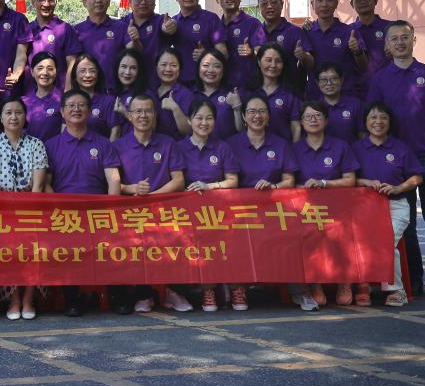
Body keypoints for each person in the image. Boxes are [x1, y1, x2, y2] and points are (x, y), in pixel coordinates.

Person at [367, 19, 425, 299]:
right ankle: (413, 278)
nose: (400, 42)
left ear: (413, 40)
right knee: (408, 225)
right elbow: (374, 116)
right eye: (394, 38)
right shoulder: (380, 78)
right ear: (387, 45)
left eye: (405, 37)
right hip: (398, 159)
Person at [226, 95, 309, 311]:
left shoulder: (281, 145)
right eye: (252, 111)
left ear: (269, 117)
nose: (257, 116)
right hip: (241, 211)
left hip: (274, 209)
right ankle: (237, 289)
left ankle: (299, 292)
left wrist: (273, 186)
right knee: (233, 242)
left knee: (291, 238)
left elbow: (289, 180)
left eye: (262, 111)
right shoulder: (231, 145)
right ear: (244, 116)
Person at [44, 89, 122, 316]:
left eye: (81, 105)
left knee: (111, 251)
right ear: (62, 112)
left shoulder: (103, 143)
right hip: (65, 214)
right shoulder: (51, 145)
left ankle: (117, 296)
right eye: (71, 106)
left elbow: (113, 180)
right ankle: (72, 299)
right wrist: (58, 210)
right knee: (69, 254)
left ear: (89, 111)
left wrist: (110, 211)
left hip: (98, 212)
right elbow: (46, 183)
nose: (76, 110)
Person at [113, 95, 190, 313]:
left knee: (174, 247)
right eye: (138, 111)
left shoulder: (168, 143)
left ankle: (173, 292)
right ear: (129, 116)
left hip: (164, 210)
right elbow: (111, 183)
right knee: (136, 249)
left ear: (155, 115)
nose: (143, 116)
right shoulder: (118, 146)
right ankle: (144, 294)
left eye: (148, 111)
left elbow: (178, 180)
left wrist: (154, 196)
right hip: (131, 213)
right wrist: (132, 189)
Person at [0, 97, 48, 320]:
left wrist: (30, 214)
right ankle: (14, 299)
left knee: (34, 251)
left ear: (25, 117)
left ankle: (28, 298)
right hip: (2, 210)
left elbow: (38, 186)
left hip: (31, 209)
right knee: (8, 252)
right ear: (1, 117)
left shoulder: (36, 144)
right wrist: (7, 214)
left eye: (18, 112)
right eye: (8, 112)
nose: (14, 117)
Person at [352, 102, 424, 307]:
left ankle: (396, 290)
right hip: (363, 208)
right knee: (360, 241)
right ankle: (363, 285)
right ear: (365, 122)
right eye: (373, 117)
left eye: (383, 117)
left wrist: (399, 188)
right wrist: (366, 182)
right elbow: (348, 178)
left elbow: (417, 177)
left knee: (385, 241)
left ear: (390, 122)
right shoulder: (356, 148)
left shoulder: (400, 147)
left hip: (396, 205)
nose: (378, 122)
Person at [291, 100, 359, 306]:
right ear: (301, 122)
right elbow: (289, 182)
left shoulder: (340, 146)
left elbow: (350, 180)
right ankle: (316, 284)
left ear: (326, 120)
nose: (313, 120)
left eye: (317, 115)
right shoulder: (294, 149)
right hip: (306, 210)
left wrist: (324, 183)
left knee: (342, 236)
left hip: (338, 209)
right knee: (307, 238)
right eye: (308, 117)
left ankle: (344, 282)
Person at [177, 98, 240, 312]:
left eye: (209, 118)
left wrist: (209, 186)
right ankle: (208, 290)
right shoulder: (179, 147)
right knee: (201, 251)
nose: (204, 123)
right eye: (199, 118)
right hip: (189, 212)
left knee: (227, 248)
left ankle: (235, 287)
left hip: (219, 211)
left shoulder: (223, 147)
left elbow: (232, 181)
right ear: (189, 120)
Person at [303, 0, 367, 98]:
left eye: (329, 0)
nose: (324, 4)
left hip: (345, 96)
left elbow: (364, 66)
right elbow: (303, 66)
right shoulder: (306, 32)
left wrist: (357, 51)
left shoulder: (349, 32)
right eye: (320, 0)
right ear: (312, 4)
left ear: (336, 4)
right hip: (315, 97)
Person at [169, 0, 227, 86]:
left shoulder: (211, 19)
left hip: (207, 85)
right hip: (180, 84)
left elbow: (224, 53)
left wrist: (207, 55)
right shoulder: (173, 23)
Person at [73, 0, 128, 93]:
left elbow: (133, 53)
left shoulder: (121, 27)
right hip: (86, 93)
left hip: (115, 92)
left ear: (108, 2)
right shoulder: (76, 31)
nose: (98, 0)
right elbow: (72, 63)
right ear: (85, 2)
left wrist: (135, 39)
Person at [28, 0, 81, 90]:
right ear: (33, 3)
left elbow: (72, 63)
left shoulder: (65, 29)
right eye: (41, 0)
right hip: (30, 92)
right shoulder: (27, 29)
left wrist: (68, 90)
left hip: (58, 92)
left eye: (51, 0)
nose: (46, 4)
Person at [216, 0, 264, 90]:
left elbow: (263, 53)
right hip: (221, 88)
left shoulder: (253, 23)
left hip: (248, 89)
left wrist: (252, 52)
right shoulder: (215, 25)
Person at [250, 43, 302, 143]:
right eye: (268, 60)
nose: (273, 65)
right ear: (259, 62)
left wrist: (295, 150)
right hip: (253, 150)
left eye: (278, 61)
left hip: (283, 150)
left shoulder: (291, 95)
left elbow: (296, 128)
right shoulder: (249, 92)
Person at [256, 0, 314, 76]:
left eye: (273, 2)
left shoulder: (295, 32)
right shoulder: (254, 33)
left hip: (289, 84)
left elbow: (311, 64)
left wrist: (303, 56)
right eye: (264, 4)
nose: (269, 6)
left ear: (282, 4)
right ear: (259, 7)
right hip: (260, 84)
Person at [348, 0, 393, 97]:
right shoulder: (347, 31)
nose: (363, 2)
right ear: (351, 4)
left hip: (388, 89)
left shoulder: (391, 28)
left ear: (376, 0)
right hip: (359, 93)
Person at [194, 48, 243, 140]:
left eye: (217, 66)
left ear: (224, 70)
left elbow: (242, 131)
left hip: (228, 147)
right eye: (205, 65)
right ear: (198, 69)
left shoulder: (232, 94)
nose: (210, 70)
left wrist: (237, 108)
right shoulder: (191, 95)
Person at [123, 0, 167, 80]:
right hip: (129, 81)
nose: (143, 2)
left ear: (154, 0)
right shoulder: (121, 24)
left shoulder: (161, 21)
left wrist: (170, 27)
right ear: (130, 0)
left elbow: (171, 26)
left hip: (158, 81)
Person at [69, 54, 120, 140]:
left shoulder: (108, 101)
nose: (88, 75)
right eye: (83, 71)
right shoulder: (68, 101)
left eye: (92, 71)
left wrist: (109, 148)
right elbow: (64, 129)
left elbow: (116, 131)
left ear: (98, 75)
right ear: (75, 76)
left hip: (102, 148)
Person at [315, 62, 364, 143]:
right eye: (324, 80)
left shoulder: (355, 104)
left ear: (341, 80)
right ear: (317, 83)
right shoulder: (314, 108)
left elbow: (362, 135)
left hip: (351, 150)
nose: (329, 83)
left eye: (334, 79)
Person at [21, 51, 63, 142]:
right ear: (32, 72)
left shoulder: (63, 101)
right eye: (40, 68)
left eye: (50, 69)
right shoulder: (23, 102)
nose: (45, 73)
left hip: (53, 150)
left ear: (56, 72)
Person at [154, 47, 192, 139]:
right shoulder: (151, 91)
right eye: (163, 64)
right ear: (156, 67)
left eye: (173, 65)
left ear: (180, 68)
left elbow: (189, 131)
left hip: (176, 146)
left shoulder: (185, 94)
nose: (168, 69)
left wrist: (175, 108)